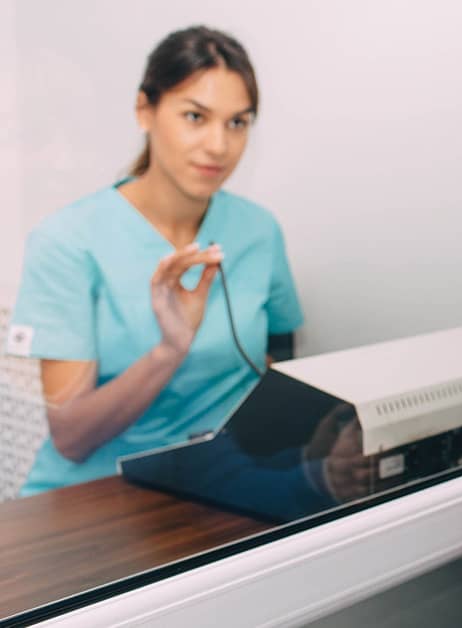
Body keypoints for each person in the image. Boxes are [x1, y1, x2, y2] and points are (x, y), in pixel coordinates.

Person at [7, 26, 304, 496]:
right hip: (92, 499)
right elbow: (71, 438)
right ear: (145, 110)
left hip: (219, 487)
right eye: (195, 116)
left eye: (237, 123)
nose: (218, 146)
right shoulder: (67, 242)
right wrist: (170, 350)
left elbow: (283, 353)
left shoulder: (258, 230)